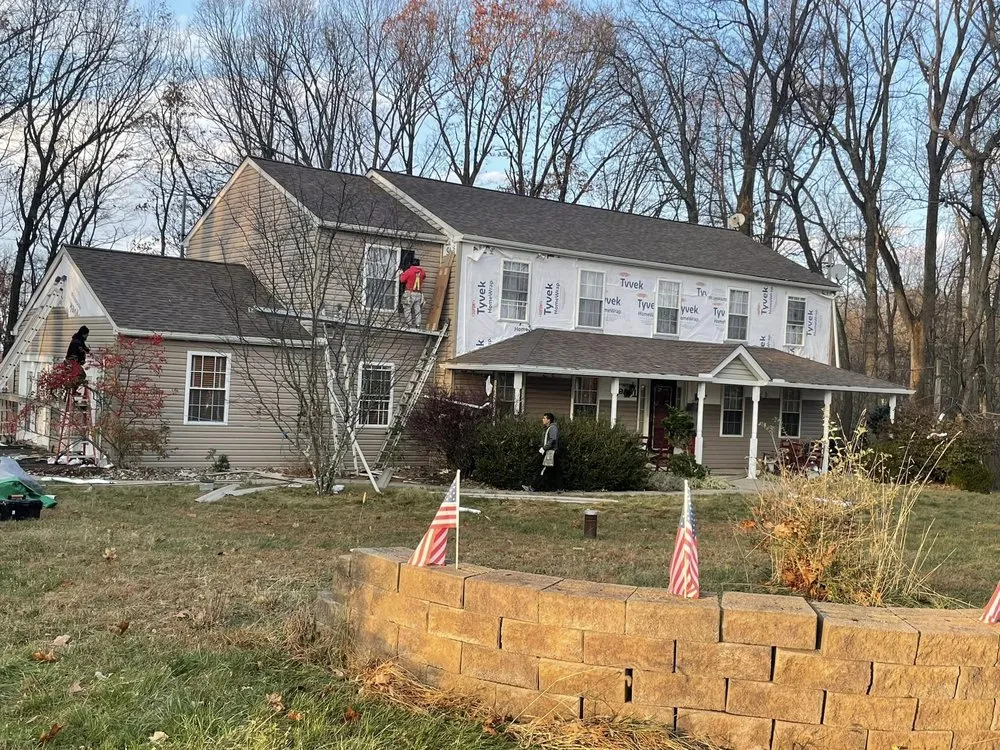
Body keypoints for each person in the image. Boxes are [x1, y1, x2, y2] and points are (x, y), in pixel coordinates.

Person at [523, 412, 560, 492]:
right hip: (549, 452)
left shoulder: (553, 428)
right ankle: (557, 488)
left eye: (544, 418)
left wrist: (544, 448)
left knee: (544, 469)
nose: (542, 420)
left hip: (551, 453)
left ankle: (533, 487)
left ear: (549, 420)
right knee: (552, 471)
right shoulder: (548, 428)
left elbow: (552, 440)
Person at [399, 259, 427, 328]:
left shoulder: (409, 271)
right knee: (417, 309)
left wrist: (402, 273)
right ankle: (418, 324)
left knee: (407, 308)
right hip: (418, 293)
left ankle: (409, 323)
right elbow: (424, 277)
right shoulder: (422, 272)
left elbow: (402, 280)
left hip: (409, 292)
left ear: (411, 264)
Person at [65, 325, 90, 394]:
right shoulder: (77, 342)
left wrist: (87, 350)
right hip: (72, 362)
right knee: (81, 375)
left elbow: (84, 348)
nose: (87, 337)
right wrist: (80, 361)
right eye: (86, 335)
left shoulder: (79, 340)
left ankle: (71, 391)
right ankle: (71, 391)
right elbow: (79, 351)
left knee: (76, 376)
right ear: (83, 334)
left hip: (72, 362)